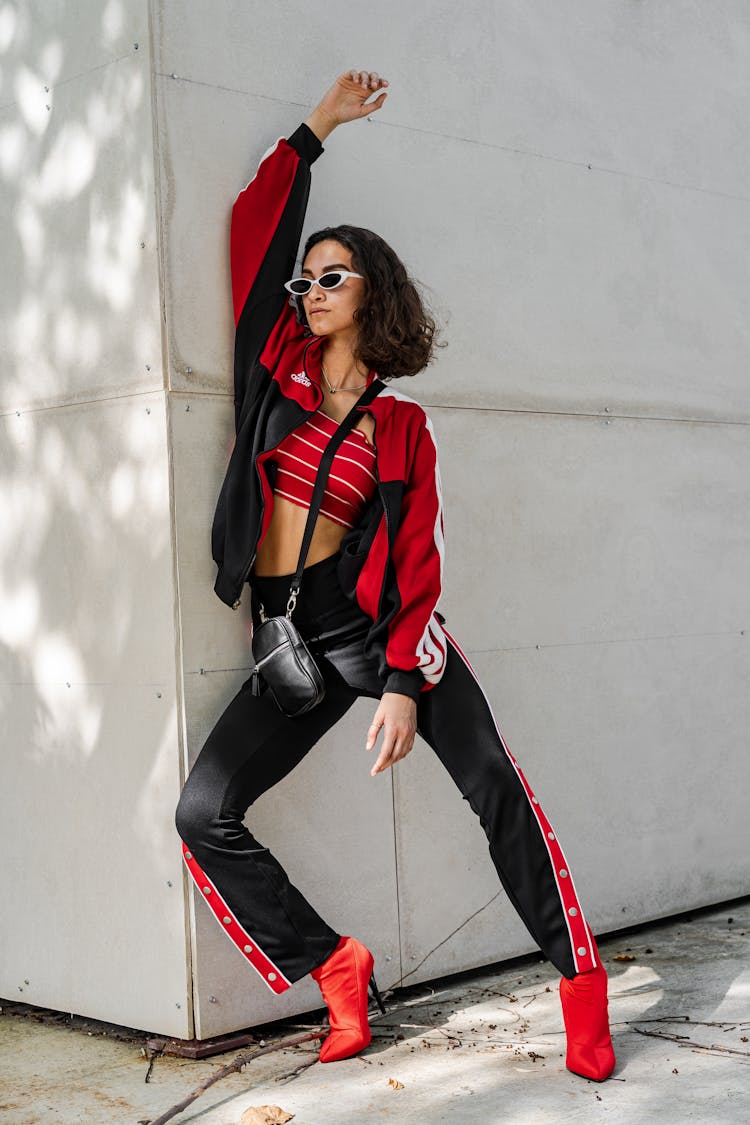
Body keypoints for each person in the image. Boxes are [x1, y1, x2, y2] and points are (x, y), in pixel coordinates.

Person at [175, 69, 615, 1082]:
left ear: (374, 292)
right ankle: (333, 966)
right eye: (307, 280)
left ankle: (581, 988)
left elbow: (420, 562)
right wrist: (315, 130)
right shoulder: (273, 360)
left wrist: (407, 686)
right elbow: (255, 232)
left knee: (496, 787)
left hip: (376, 630)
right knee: (203, 815)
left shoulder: (403, 426)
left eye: (332, 277)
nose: (310, 290)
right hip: (290, 636)